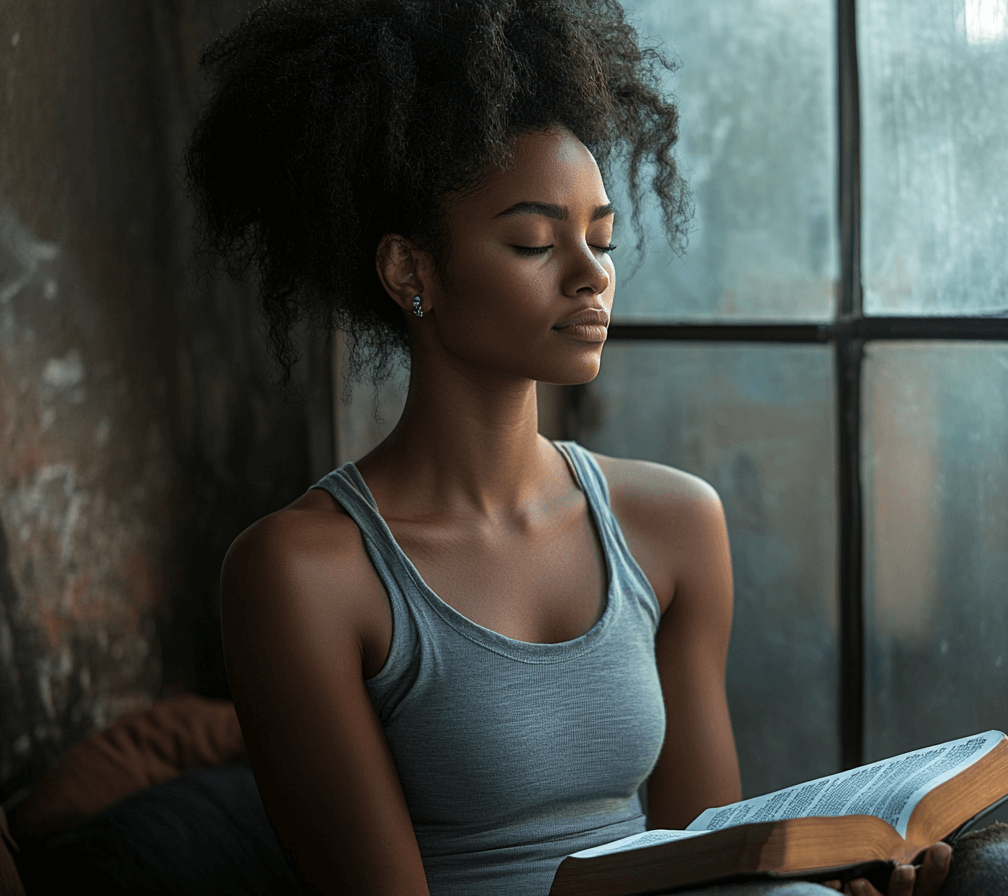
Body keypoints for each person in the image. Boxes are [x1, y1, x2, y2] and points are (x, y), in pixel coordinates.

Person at [186, 2, 952, 894]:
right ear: (410, 272)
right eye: (534, 242)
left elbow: (707, 863)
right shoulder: (301, 572)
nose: (591, 274)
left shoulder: (673, 523)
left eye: (602, 238)